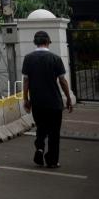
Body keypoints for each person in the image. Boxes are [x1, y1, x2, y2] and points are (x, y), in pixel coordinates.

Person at [21, 30, 73, 168]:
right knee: (54, 132)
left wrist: (25, 99)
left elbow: (26, 81)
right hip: (54, 102)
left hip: (37, 102)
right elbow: (62, 80)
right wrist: (68, 98)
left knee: (41, 128)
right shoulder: (55, 58)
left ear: (35, 42)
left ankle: (39, 148)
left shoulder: (28, 58)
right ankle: (52, 160)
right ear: (48, 42)